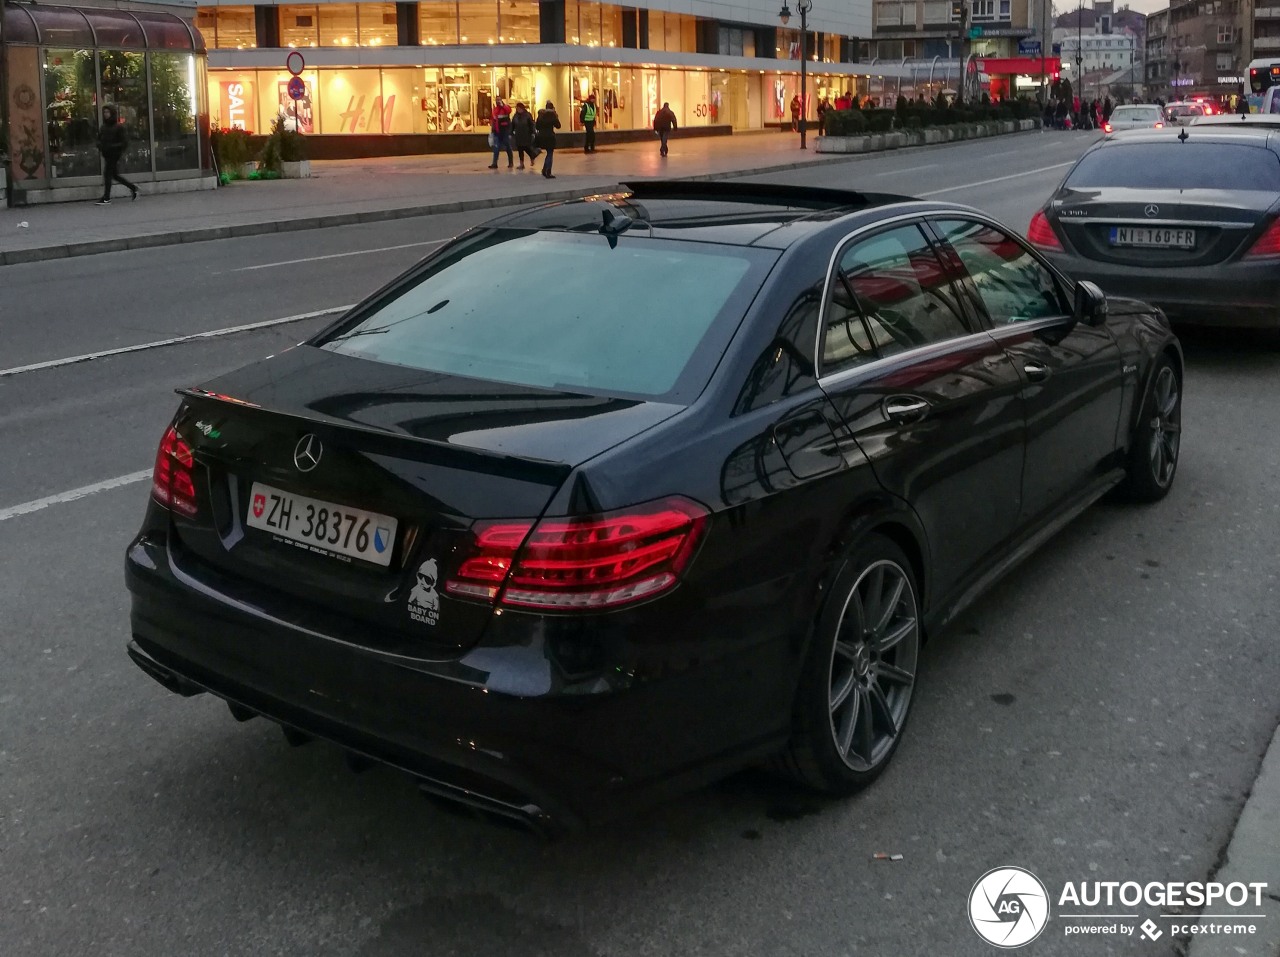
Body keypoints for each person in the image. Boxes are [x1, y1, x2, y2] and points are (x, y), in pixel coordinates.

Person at [95, 105, 137, 205]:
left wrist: (111, 146)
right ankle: (133, 188)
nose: (106, 114)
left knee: (107, 174)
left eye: (108, 112)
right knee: (114, 175)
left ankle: (106, 197)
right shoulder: (103, 127)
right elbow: (99, 139)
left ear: (112, 113)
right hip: (107, 154)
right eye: (104, 112)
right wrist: (100, 145)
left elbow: (124, 142)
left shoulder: (118, 127)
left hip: (114, 154)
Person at [535, 100, 560, 179]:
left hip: (541, 136)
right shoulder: (553, 115)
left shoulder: (541, 115)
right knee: (550, 153)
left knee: (548, 153)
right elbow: (558, 126)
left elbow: (537, 127)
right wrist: (556, 116)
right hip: (550, 137)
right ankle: (548, 171)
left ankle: (544, 169)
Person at [487, 95, 513, 169]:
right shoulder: (495, 109)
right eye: (497, 100)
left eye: (499, 100)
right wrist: (492, 129)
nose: (498, 101)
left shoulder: (506, 108)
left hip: (505, 131)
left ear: (501, 100)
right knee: (496, 148)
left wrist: (502, 105)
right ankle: (494, 163)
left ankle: (510, 162)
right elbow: (493, 120)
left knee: (507, 147)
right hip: (497, 131)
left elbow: (509, 111)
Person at [510, 101, 537, 170]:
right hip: (518, 135)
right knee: (520, 149)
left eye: (519, 108)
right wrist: (511, 133)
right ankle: (521, 164)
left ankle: (532, 156)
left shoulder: (527, 115)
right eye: (517, 108)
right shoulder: (515, 116)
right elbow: (512, 125)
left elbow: (531, 124)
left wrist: (533, 133)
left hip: (526, 135)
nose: (518, 110)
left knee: (526, 148)